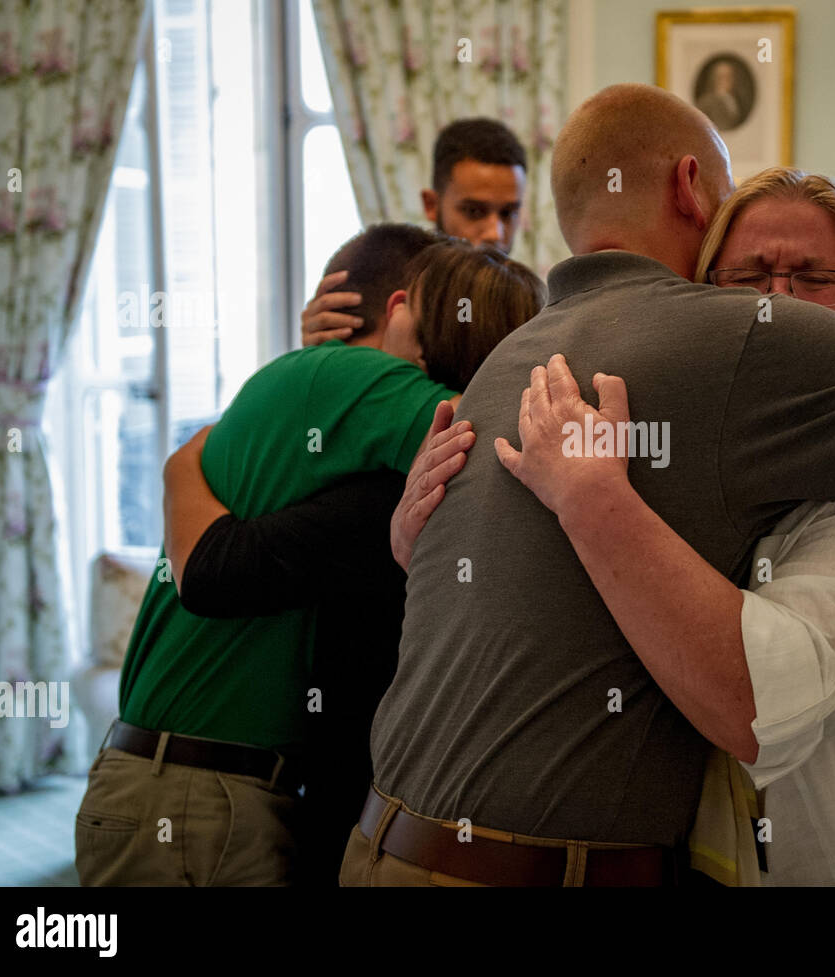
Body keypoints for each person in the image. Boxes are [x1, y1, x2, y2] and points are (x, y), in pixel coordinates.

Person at [339, 83, 835, 887]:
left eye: (813, 275)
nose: (779, 304)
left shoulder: (520, 353)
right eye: (747, 278)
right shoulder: (720, 371)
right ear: (691, 191)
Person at [74, 227, 543, 886]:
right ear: (398, 305)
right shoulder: (367, 379)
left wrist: (180, 469)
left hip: (169, 778)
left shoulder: (316, 396)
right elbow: (493, 431)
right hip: (199, 795)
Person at [301, 118, 528, 345]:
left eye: (508, 213)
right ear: (431, 204)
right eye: (474, 211)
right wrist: (319, 350)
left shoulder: (526, 303)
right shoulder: (388, 284)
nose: (494, 233)